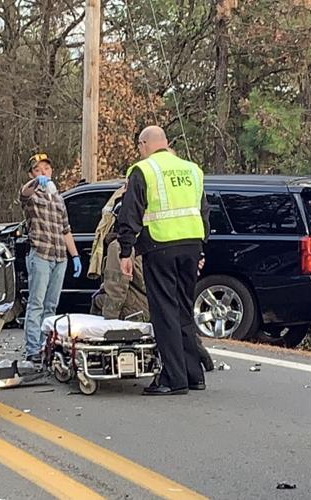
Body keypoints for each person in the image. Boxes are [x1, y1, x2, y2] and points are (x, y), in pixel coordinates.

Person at [116, 126, 210, 395]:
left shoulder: (143, 170)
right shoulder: (193, 170)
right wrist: (202, 249)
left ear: (145, 144)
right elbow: (204, 212)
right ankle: (194, 374)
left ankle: (173, 378)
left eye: (139, 146)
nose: (139, 151)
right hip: (191, 245)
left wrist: (126, 251)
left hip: (160, 245)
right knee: (183, 308)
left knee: (164, 310)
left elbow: (130, 213)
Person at [89, 182, 215, 372]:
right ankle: (196, 353)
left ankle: (103, 355)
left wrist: (108, 325)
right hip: (163, 300)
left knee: (99, 300)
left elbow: (117, 290)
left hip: (141, 308)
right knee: (179, 317)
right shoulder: (154, 241)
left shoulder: (119, 247)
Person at [19, 152, 82, 364]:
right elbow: (23, 193)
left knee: (51, 305)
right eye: (37, 170)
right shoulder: (32, 197)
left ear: (51, 171)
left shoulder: (58, 198)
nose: (43, 172)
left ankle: (48, 346)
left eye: (45, 169)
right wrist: (36, 182)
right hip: (41, 254)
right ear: (31, 174)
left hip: (59, 256)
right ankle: (32, 349)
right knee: (36, 303)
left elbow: (66, 230)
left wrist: (75, 256)